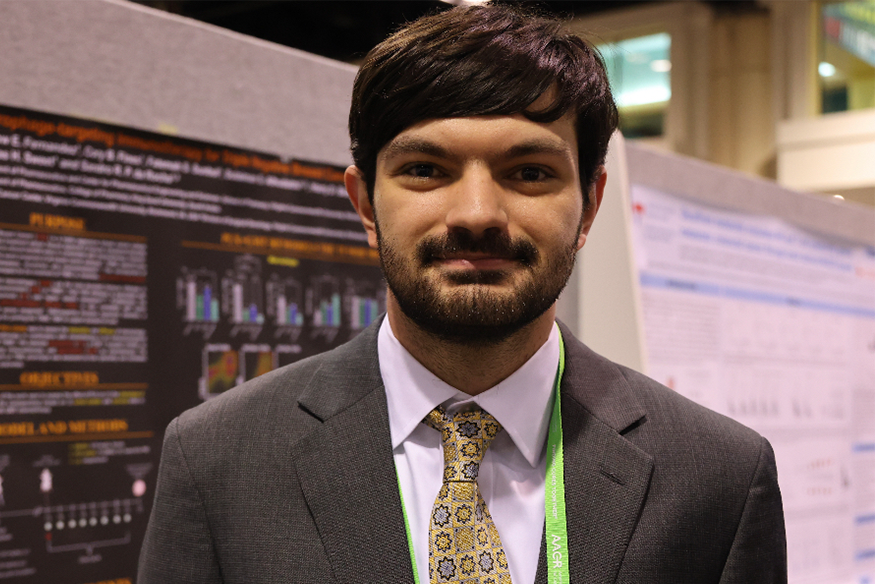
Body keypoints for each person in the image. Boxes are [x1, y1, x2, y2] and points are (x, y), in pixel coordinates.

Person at [138, 4, 787, 583]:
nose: (477, 212)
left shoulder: (717, 477)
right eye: (425, 170)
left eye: (528, 172)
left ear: (589, 206)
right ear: (365, 205)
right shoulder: (217, 460)